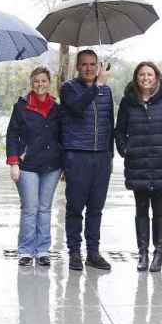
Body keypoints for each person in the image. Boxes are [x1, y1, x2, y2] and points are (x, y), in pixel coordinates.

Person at [115, 61, 162, 272]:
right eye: (142, 74)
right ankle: (142, 253)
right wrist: (125, 150)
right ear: (136, 78)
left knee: (159, 209)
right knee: (141, 209)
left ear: (157, 77)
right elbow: (119, 131)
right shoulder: (128, 102)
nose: (146, 78)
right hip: (137, 163)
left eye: (150, 74)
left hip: (161, 163)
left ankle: (159, 254)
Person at [60, 49, 114, 271]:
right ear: (77, 67)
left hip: (101, 156)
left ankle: (93, 252)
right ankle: (74, 252)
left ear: (98, 66)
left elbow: (110, 123)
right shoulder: (68, 88)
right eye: (84, 64)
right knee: (75, 208)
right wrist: (96, 87)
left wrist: (110, 155)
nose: (89, 68)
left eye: (93, 64)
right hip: (77, 155)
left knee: (96, 208)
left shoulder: (106, 91)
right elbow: (77, 107)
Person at [6, 67, 64, 267]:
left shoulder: (57, 108)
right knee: (30, 208)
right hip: (27, 165)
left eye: (43, 81)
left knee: (45, 208)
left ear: (49, 83)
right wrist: (14, 162)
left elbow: (62, 136)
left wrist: (64, 165)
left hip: (52, 166)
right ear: (32, 83)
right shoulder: (21, 107)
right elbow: (12, 135)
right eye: (36, 81)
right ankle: (25, 251)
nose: (40, 84)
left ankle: (42, 251)